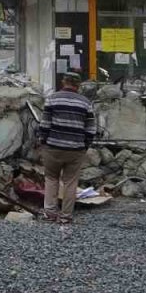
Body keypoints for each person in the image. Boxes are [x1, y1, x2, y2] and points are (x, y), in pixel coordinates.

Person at [38, 72, 97, 223]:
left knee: (51, 179)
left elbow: (45, 124)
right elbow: (91, 128)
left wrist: (43, 141)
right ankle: (66, 216)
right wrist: (85, 145)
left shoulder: (52, 99)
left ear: (63, 82)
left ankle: (50, 213)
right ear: (78, 85)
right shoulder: (85, 102)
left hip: (53, 146)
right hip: (76, 149)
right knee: (71, 182)